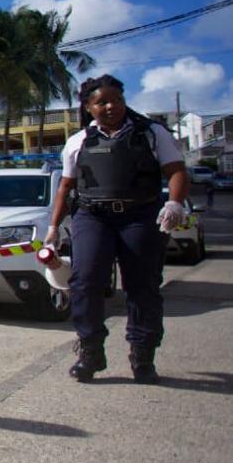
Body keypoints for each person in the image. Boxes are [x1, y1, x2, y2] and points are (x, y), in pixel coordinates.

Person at [46, 74, 188, 384]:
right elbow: (65, 187)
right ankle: (91, 350)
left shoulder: (151, 133)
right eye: (102, 102)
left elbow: (176, 170)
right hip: (93, 216)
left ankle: (142, 354)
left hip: (139, 215)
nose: (111, 106)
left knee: (142, 285)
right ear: (88, 106)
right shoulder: (79, 141)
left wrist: (174, 203)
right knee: (84, 281)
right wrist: (54, 227)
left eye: (117, 100)